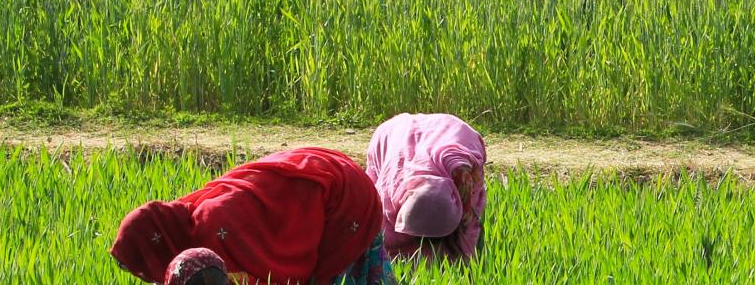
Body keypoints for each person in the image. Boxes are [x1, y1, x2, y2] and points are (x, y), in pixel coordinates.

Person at [111, 147, 398, 285]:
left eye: (141, 265)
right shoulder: (193, 220)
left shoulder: (210, 238)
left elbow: (273, 274)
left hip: (340, 195)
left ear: (155, 242)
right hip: (323, 174)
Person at [365, 113, 488, 261]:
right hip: (394, 133)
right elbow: (382, 236)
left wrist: (466, 261)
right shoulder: (389, 189)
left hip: (455, 130)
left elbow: (469, 222)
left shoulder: (463, 176)